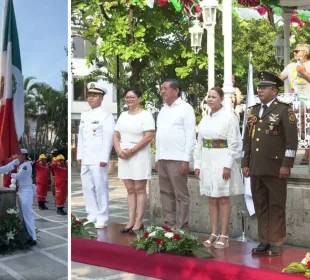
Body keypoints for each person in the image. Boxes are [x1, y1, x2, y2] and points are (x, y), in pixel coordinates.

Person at [242, 72, 298, 256]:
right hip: (256, 167)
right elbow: (247, 140)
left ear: (274, 91)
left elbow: (291, 142)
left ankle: (277, 241)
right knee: (261, 205)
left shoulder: (284, 110)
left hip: (275, 168)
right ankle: (264, 240)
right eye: (259, 87)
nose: (259, 90)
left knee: (276, 205)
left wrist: (286, 165)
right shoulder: (253, 110)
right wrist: (245, 162)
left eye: (263, 88)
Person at [194, 87, 243, 249]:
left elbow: (235, 143)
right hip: (207, 160)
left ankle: (224, 234)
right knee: (211, 198)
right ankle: (213, 232)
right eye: (208, 96)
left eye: (213, 97)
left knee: (223, 197)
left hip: (222, 160)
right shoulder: (204, 120)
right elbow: (199, 143)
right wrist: (197, 164)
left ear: (221, 99)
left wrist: (228, 165)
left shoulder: (229, 118)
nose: (210, 99)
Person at [155, 79, 196, 231]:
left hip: (178, 158)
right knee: (166, 193)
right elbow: (159, 135)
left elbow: (190, 135)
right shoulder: (163, 109)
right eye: (161, 88)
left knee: (181, 195)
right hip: (163, 158)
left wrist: (186, 160)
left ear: (176, 91)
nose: (162, 91)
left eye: (165, 88)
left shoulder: (186, 109)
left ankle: (182, 227)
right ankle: (169, 227)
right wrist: (157, 157)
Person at [114, 88, 155, 234]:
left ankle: (139, 220)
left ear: (139, 98)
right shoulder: (123, 115)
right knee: (130, 189)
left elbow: (149, 136)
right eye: (127, 97)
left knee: (139, 189)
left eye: (132, 97)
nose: (129, 99)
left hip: (139, 155)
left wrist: (133, 150)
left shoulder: (146, 115)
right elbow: (116, 135)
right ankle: (130, 220)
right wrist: (118, 150)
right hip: (124, 155)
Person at [77, 82, 115, 228]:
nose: (91, 98)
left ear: (101, 98)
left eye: (95, 95)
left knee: (100, 187)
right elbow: (81, 137)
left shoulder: (106, 116)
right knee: (87, 187)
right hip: (86, 157)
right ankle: (91, 214)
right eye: (90, 95)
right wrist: (79, 155)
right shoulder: (85, 115)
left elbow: (108, 138)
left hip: (98, 158)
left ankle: (102, 216)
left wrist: (104, 157)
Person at [280, 43, 310, 165]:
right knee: (295, 129)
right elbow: (279, 79)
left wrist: (304, 72)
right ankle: (289, 156)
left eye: (297, 51)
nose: (294, 53)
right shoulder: (290, 66)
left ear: (305, 53)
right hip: (295, 103)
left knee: (308, 129)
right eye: (294, 51)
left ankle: (307, 155)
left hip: (308, 103)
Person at [0, 149, 37, 246]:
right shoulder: (18, 162)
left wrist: (9, 174)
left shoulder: (26, 166)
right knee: (21, 214)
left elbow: (18, 176)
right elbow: (7, 167)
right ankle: (25, 234)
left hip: (26, 192)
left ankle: (33, 238)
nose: (18, 156)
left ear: (25, 156)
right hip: (20, 191)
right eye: (17, 154)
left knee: (27, 214)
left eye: (20, 155)